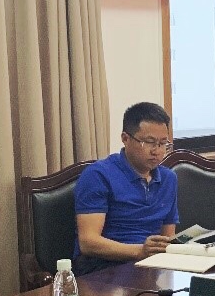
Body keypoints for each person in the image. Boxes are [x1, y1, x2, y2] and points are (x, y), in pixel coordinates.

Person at [73, 102, 178, 275]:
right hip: (104, 266)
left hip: (151, 264)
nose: (157, 151)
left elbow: (167, 238)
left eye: (162, 144)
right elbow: (88, 242)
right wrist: (139, 251)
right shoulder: (98, 175)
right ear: (125, 138)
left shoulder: (168, 179)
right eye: (149, 142)